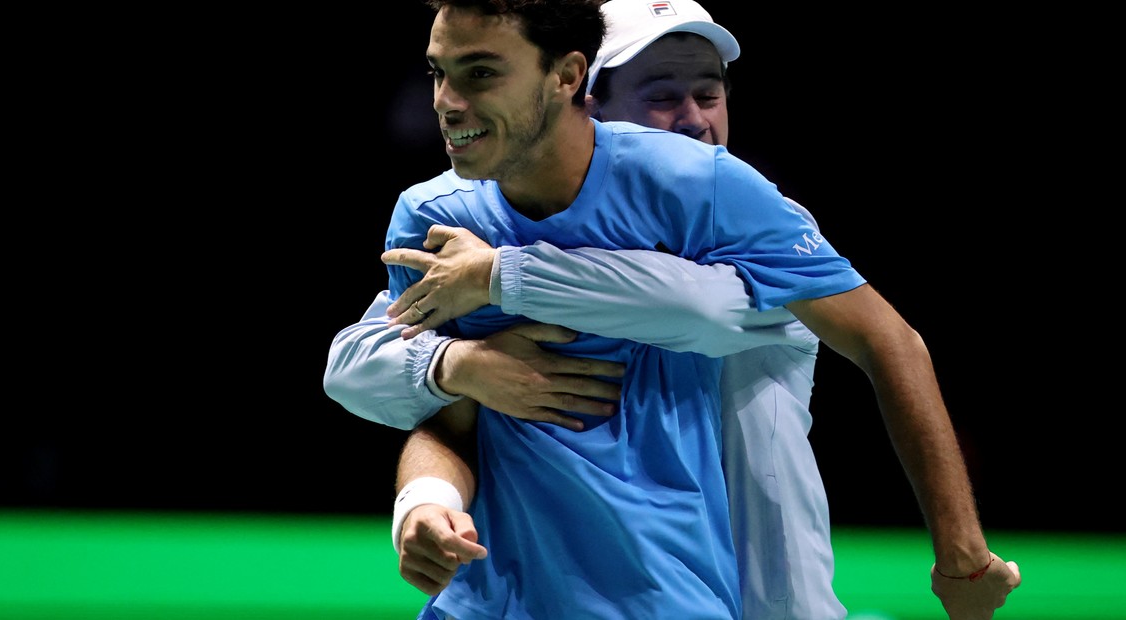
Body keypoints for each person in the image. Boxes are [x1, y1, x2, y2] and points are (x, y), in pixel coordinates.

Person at [325, 0, 1021, 618]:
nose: (691, 121)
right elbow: (422, 401)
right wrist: (433, 471)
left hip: (695, 589)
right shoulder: (436, 211)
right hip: (486, 600)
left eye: (707, 91)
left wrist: (503, 276)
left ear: (567, 79)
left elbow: (720, 313)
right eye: (659, 93)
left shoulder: (720, 202)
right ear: (591, 91)